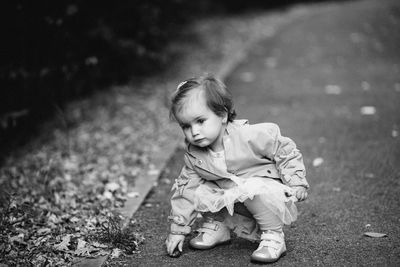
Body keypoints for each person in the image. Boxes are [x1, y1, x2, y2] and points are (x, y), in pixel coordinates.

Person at [165, 74, 309, 263]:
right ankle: (219, 226)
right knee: (198, 189)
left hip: (263, 194)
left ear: (222, 115)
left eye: (200, 121)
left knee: (250, 191)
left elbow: (284, 150)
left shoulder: (249, 135)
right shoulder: (195, 155)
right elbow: (186, 192)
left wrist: (296, 181)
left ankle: (273, 236)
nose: (194, 132)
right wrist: (178, 230)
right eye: (186, 126)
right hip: (230, 195)